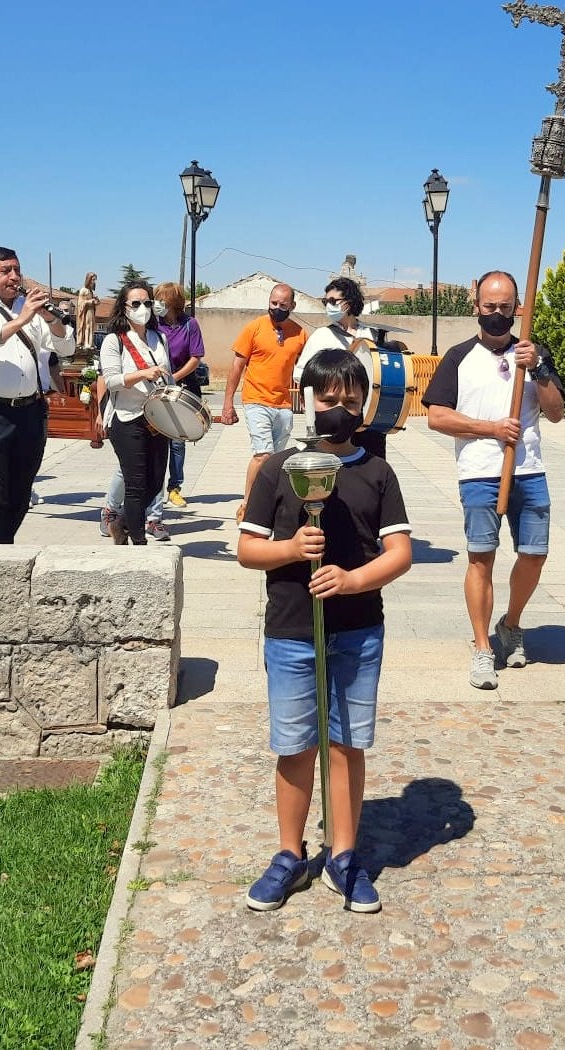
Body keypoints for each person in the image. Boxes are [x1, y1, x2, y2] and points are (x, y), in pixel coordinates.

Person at [237, 348, 413, 913]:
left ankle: (343, 854)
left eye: (349, 400)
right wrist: (289, 549)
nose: (337, 409)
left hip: (357, 631)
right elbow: (246, 547)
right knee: (294, 746)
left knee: (345, 743)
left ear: (365, 405)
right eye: (326, 399)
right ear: (305, 400)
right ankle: (289, 853)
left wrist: (353, 579)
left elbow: (401, 553)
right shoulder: (278, 468)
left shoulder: (377, 472)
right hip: (292, 628)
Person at [422, 270, 565, 690]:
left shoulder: (534, 355)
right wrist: (491, 429)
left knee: (535, 554)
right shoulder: (458, 356)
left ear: (517, 308)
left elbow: (555, 412)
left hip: (529, 470)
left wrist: (538, 369)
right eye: (490, 307)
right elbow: (435, 415)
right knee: (481, 557)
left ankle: (511, 624)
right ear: (476, 307)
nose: (497, 314)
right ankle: (483, 647)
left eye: (505, 307)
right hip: (480, 473)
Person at [0, 246, 76, 544]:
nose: (14, 277)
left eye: (16, 270)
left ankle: (3, 548)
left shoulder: (30, 307)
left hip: (30, 410)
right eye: (5, 271)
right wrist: (20, 320)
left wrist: (50, 318)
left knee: (21, 491)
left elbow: (67, 348)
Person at [219, 282, 307, 521]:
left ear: (292, 306)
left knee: (277, 460)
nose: (277, 308)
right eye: (273, 304)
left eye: (283, 305)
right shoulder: (254, 329)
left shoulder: (300, 334)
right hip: (256, 400)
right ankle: (247, 505)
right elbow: (237, 367)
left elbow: (306, 368)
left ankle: (270, 504)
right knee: (263, 454)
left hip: (284, 405)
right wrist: (228, 403)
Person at [99, 281, 173, 546]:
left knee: (154, 483)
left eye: (147, 303)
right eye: (136, 303)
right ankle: (138, 543)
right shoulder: (113, 341)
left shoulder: (159, 337)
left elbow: (167, 374)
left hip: (157, 419)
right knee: (135, 483)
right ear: (124, 307)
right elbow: (111, 381)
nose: (143, 308)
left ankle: (121, 525)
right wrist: (142, 374)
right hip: (127, 418)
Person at [295, 276, 387, 459]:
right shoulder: (322, 335)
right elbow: (301, 376)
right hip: (333, 418)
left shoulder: (372, 334)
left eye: (333, 301)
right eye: (325, 301)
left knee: (369, 465)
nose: (328, 305)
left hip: (366, 416)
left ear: (349, 302)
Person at [152, 281, 206, 510]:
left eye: (161, 300)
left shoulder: (190, 324)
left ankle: (174, 488)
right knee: (154, 439)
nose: (157, 304)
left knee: (177, 441)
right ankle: (153, 488)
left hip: (181, 387)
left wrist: (174, 377)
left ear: (173, 302)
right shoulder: (152, 323)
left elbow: (196, 357)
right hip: (154, 385)